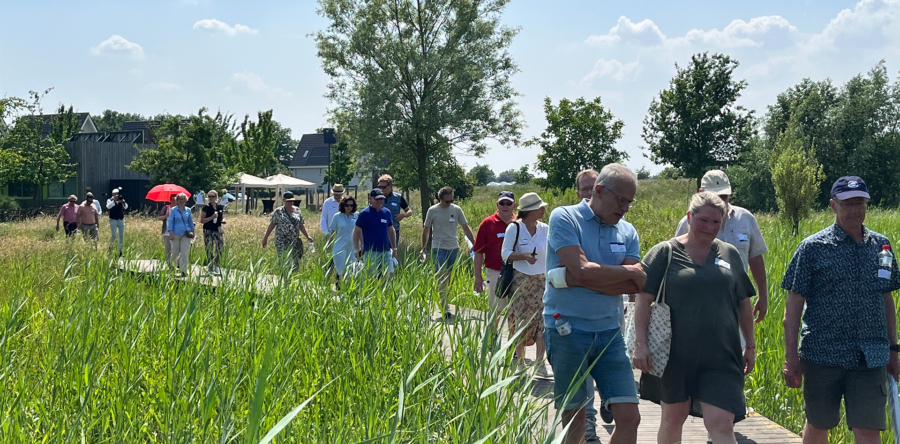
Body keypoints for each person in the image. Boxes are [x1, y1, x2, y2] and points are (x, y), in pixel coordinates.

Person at [782, 176, 900, 444]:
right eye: (848, 204)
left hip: (871, 356)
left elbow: (887, 299)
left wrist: (893, 350)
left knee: (868, 430)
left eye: (860, 203)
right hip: (823, 354)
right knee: (819, 424)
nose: (855, 210)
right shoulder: (813, 248)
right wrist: (791, 359)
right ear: (833, 205)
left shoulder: (881, 246)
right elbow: (793, 309)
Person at [632, 192, 757, 444]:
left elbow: (743, 302)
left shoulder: (730, 254)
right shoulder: (664, 253)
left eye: (716, 222)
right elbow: (643, 299)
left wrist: (750, 345)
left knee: (722, 422)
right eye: (703, 220)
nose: (710, 227)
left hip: (722, 354)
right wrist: (640, 343)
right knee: (673, 418)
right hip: (675, 355)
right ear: (689, 217)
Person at [543, 163, 645, 444]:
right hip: (567, 329)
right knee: (575, 419)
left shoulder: (628, 231)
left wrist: (575, 277)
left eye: (630, 202)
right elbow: (586, 270)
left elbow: (633, 285)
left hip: (610, 332)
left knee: (629, 417)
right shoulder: (564, 217)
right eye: (621, 200)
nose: (625, 208)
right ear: (598, 191)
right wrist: (627, 273)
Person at [675, 170, 769, 323]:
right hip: (698, 303)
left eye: (724, 197)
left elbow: (755, 258)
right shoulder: (688, 222)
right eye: (715, 197)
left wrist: (763, 296)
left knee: (740, 346)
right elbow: (676, 259)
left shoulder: (745, 218)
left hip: (738, 302)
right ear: (701, 193)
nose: (720, 202)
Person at [574, 168, 614, 437]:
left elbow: (635, 273)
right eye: (586, 188)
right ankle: (587, 418)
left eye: (595, 186)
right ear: (579, 192)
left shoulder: (618, 222)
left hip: (612, 311)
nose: (591, 192)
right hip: (577, 315)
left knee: (611, 360)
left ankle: (609, 400)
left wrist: (593, 275)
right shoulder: (569, 219)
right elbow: (578, 271)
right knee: (585, 368)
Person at [501, 192, 550, 375]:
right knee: (520, 320)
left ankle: (539, 364)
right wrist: (523, 256)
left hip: (542, 280)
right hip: (520, 281)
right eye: (540, 207)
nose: (543, 210)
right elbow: (505, 254)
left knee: (542, 322)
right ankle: (520, 364)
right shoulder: (515, 228)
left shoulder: (545, 228)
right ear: (530, 211)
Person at [422, 186, 475, 319]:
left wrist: (475, 243)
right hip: (438, 247)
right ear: (440, 199)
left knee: (451, 276)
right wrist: (424, 247)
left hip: (453, 247)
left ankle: (444, 298)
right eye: (446, 201)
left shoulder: (456, 210)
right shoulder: (432, 210)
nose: (449, 203)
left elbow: (465, 227)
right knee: (442, 275)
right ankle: (445, 305)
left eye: (451, 200)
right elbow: (426, 229)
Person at [473, 191, 516, 331]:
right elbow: (478, 252)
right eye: (502, 203)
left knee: (514, 310)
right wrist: (478, 277)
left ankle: (514, 347)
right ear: (497, 204)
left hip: (517, 272)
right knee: (495, 309)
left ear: (514, 205)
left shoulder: (519, 222)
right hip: (495, 272)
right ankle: (492, 340)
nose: (505, 206)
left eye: (508, 203)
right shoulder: (488, 223)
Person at [263, 191, 314, 271]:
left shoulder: (297, 210)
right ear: (283, 200)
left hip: (293, 240)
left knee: (295, 260)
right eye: (288, 201)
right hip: (281, 240)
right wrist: (265, 238)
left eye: (292, 201)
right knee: (283, 259)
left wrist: (307, 236)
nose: (290, 202)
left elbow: (301, 225)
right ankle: (283, 277)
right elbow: (272, 224)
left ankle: (293, 278)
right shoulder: (278, 211)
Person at [353, 189, 398, 277]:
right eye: (377, 199)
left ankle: (386, 291)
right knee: (372, 277)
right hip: (370, 252)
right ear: (370, 198)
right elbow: (356, 231)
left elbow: (391, 230)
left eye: (381, 199)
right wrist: (356, 248)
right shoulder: (364, 213)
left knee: (389, 275)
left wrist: (394, 249)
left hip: (386, 250)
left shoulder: (386, 212)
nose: (379, 201)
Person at [327, 195, 359, 289]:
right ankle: (340, 289)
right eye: (347, 205)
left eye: (351, 205)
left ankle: (351, 289)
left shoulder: (357, 215)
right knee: (340, 269)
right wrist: (328, 246)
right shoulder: (337, 216)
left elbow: (360, 231)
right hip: (340, 247)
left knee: (352, 269)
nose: (349, 207)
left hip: (353, 247)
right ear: (343, 205)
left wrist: (361, 245)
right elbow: (332, 232)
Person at [378, 175, 412, 244]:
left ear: (390, 185)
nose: (382, 189)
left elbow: (409, 211)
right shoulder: (376, 198)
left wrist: (403, 215)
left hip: (394, 231)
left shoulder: (398, 198)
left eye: (384, 187)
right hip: (379, 231)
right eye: (380, 187)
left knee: (392, 252)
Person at [167, 193, 195, 276]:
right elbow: (170, 221)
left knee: (184, 252)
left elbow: (190, 221)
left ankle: (184, 270)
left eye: (183, 199)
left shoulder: (188, 210)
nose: (181, 201)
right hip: (176, 233)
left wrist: (193, 231)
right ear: (177, 200)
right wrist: (170, 232)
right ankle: (171, 265)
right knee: (175, 252)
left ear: (185, 200)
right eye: (179, 199)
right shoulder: (173, 210)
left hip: (186, 233)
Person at [200, 190, 225, 275]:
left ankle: (216, 265)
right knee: (209, 248)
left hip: (217, 229)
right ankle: (210, 266)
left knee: (220, 247)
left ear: (216, 197)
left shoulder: (220, 207)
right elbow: (202, 220)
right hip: (208, 229)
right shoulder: (206, 207)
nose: (211, 198)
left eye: (213, 196)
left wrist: (223, 220)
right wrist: (212, 217)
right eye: (209, 196)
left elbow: (222, 218)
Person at [106, 188, 128, 254]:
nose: (117, 195)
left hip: (120, 219)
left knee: (121, 235)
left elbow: (126, 207)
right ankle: (110, 247)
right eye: (115, 194)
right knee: (114, 235)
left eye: (117, 194)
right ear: (113, 194)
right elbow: (108, 207)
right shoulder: (110, 200)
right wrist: (114, 201)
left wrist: (123, 202)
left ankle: (120, 250)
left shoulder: (121, 200)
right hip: (113, 220)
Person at [158, 195, 176, 266]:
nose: (174, 201)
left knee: (175, 249)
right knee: (168, 249)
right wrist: (166, 215)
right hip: (166, 232)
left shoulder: (178, 209)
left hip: (176, 232)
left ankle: (175, 264)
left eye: (175, 200)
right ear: (170, 200)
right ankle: (169, 265)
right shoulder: (166, 208)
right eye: (173, 200)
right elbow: (159, 218)